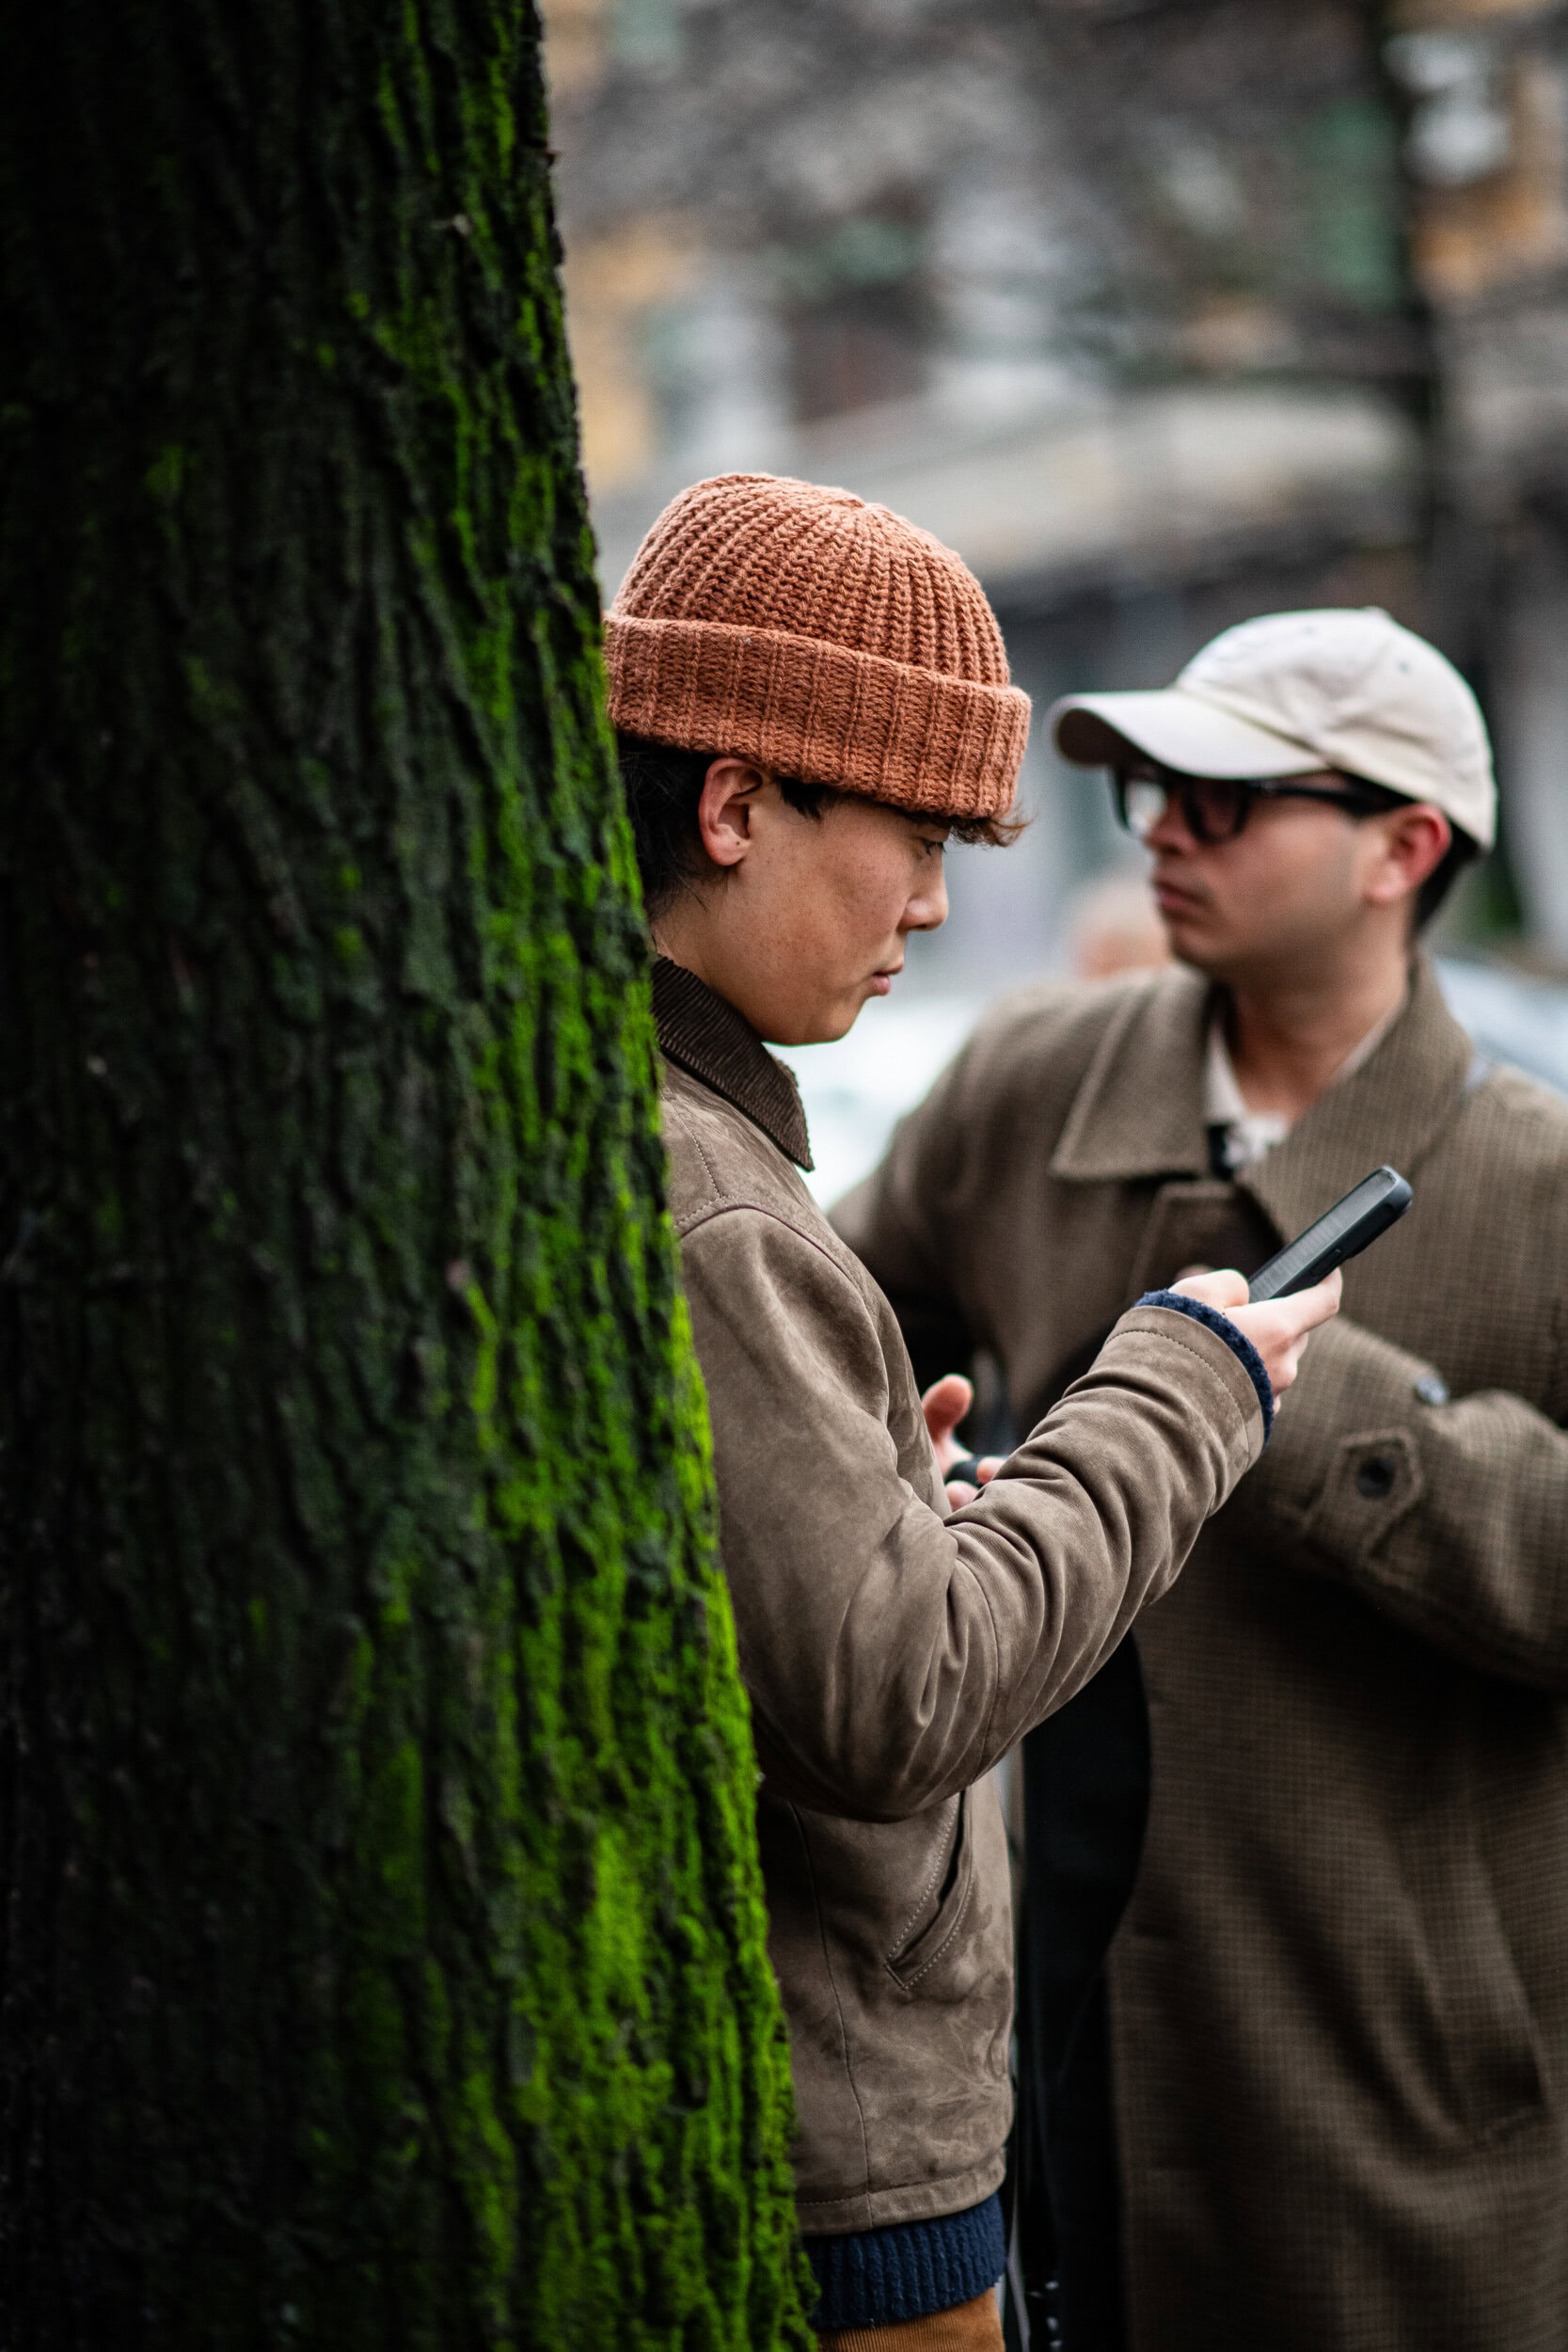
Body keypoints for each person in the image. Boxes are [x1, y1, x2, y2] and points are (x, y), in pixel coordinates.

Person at [603, 479, 1338, 2352]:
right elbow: (904, 1694)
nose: (937, 902)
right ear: (737, 800)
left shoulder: (673, 1136)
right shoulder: (703, 1194)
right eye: (916, 834)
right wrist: (1188, 1379)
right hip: (858, 2161)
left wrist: (896, 1501)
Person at [833, 606, 1568, 2352]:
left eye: (1224, 797)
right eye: (1150, 785)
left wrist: (1300, 1409)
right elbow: (822, 1356)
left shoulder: (1541, 1187)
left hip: (1393, 2078)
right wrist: (906, 1481)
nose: (1161, 822)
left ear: (1403, 846)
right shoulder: (1027, 1084)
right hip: (1035, 2010)